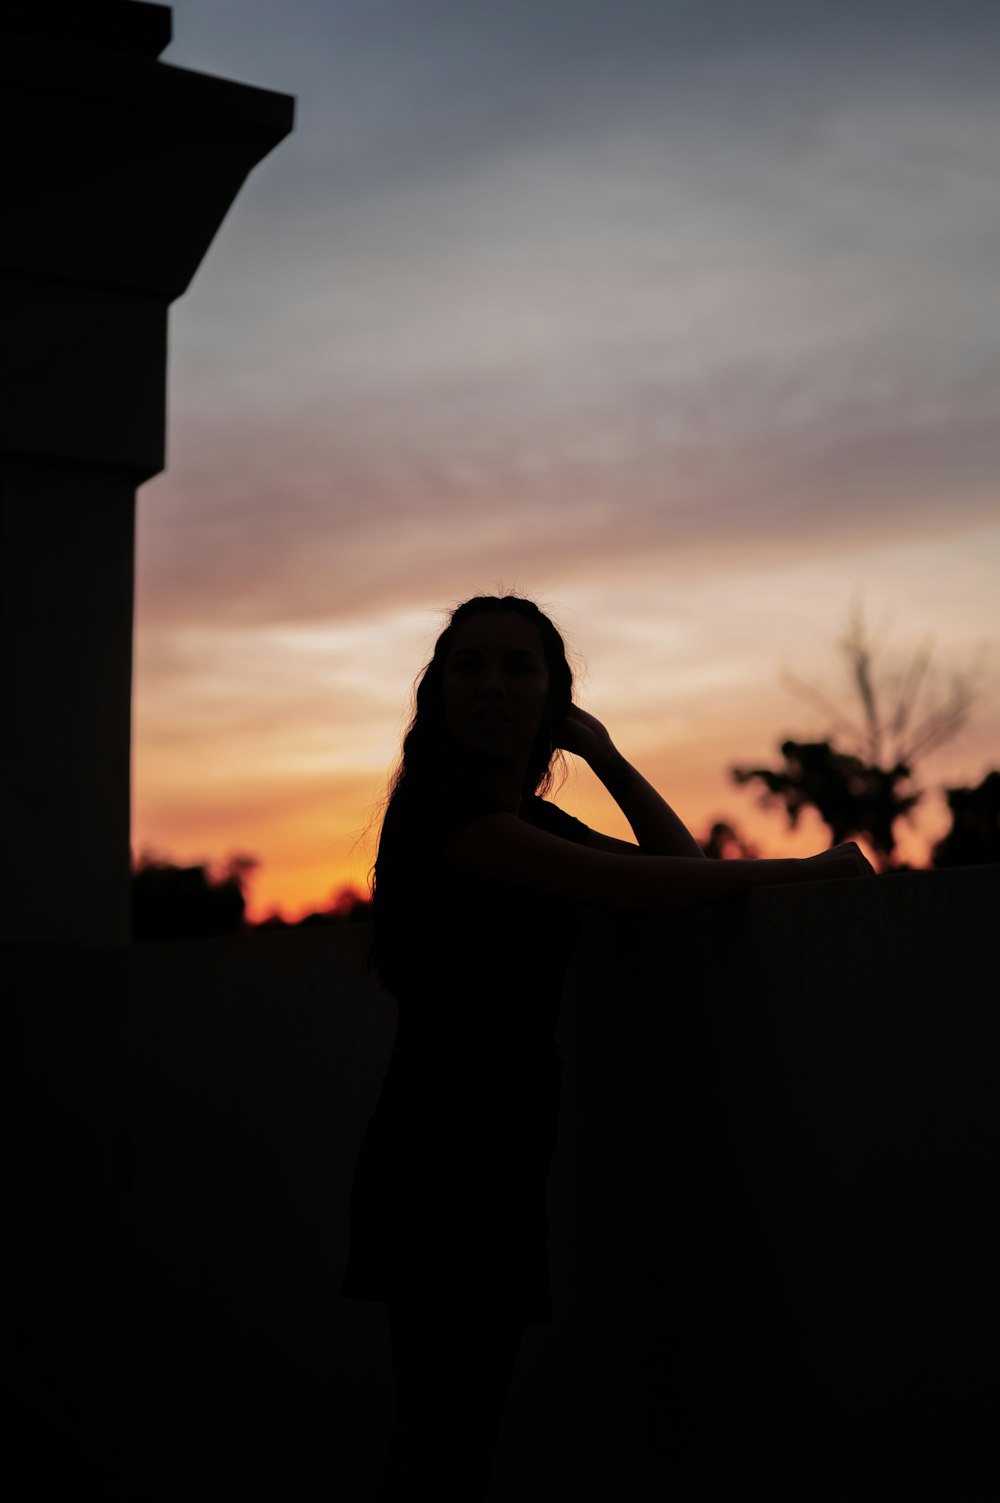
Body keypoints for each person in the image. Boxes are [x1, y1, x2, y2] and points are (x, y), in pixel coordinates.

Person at [340, 593, 874, 1500]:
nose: (493, 686)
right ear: (435, 694)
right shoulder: (448, 821)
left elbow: (684, 872)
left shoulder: (529, 822)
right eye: (468, 665)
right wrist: (810, 868)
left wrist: (605, 752)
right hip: (438, 1154)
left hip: (503, 1150)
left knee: (463, 1437)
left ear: (552, 699)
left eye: (519, 668)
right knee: (440, 1439)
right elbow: (630, 889)